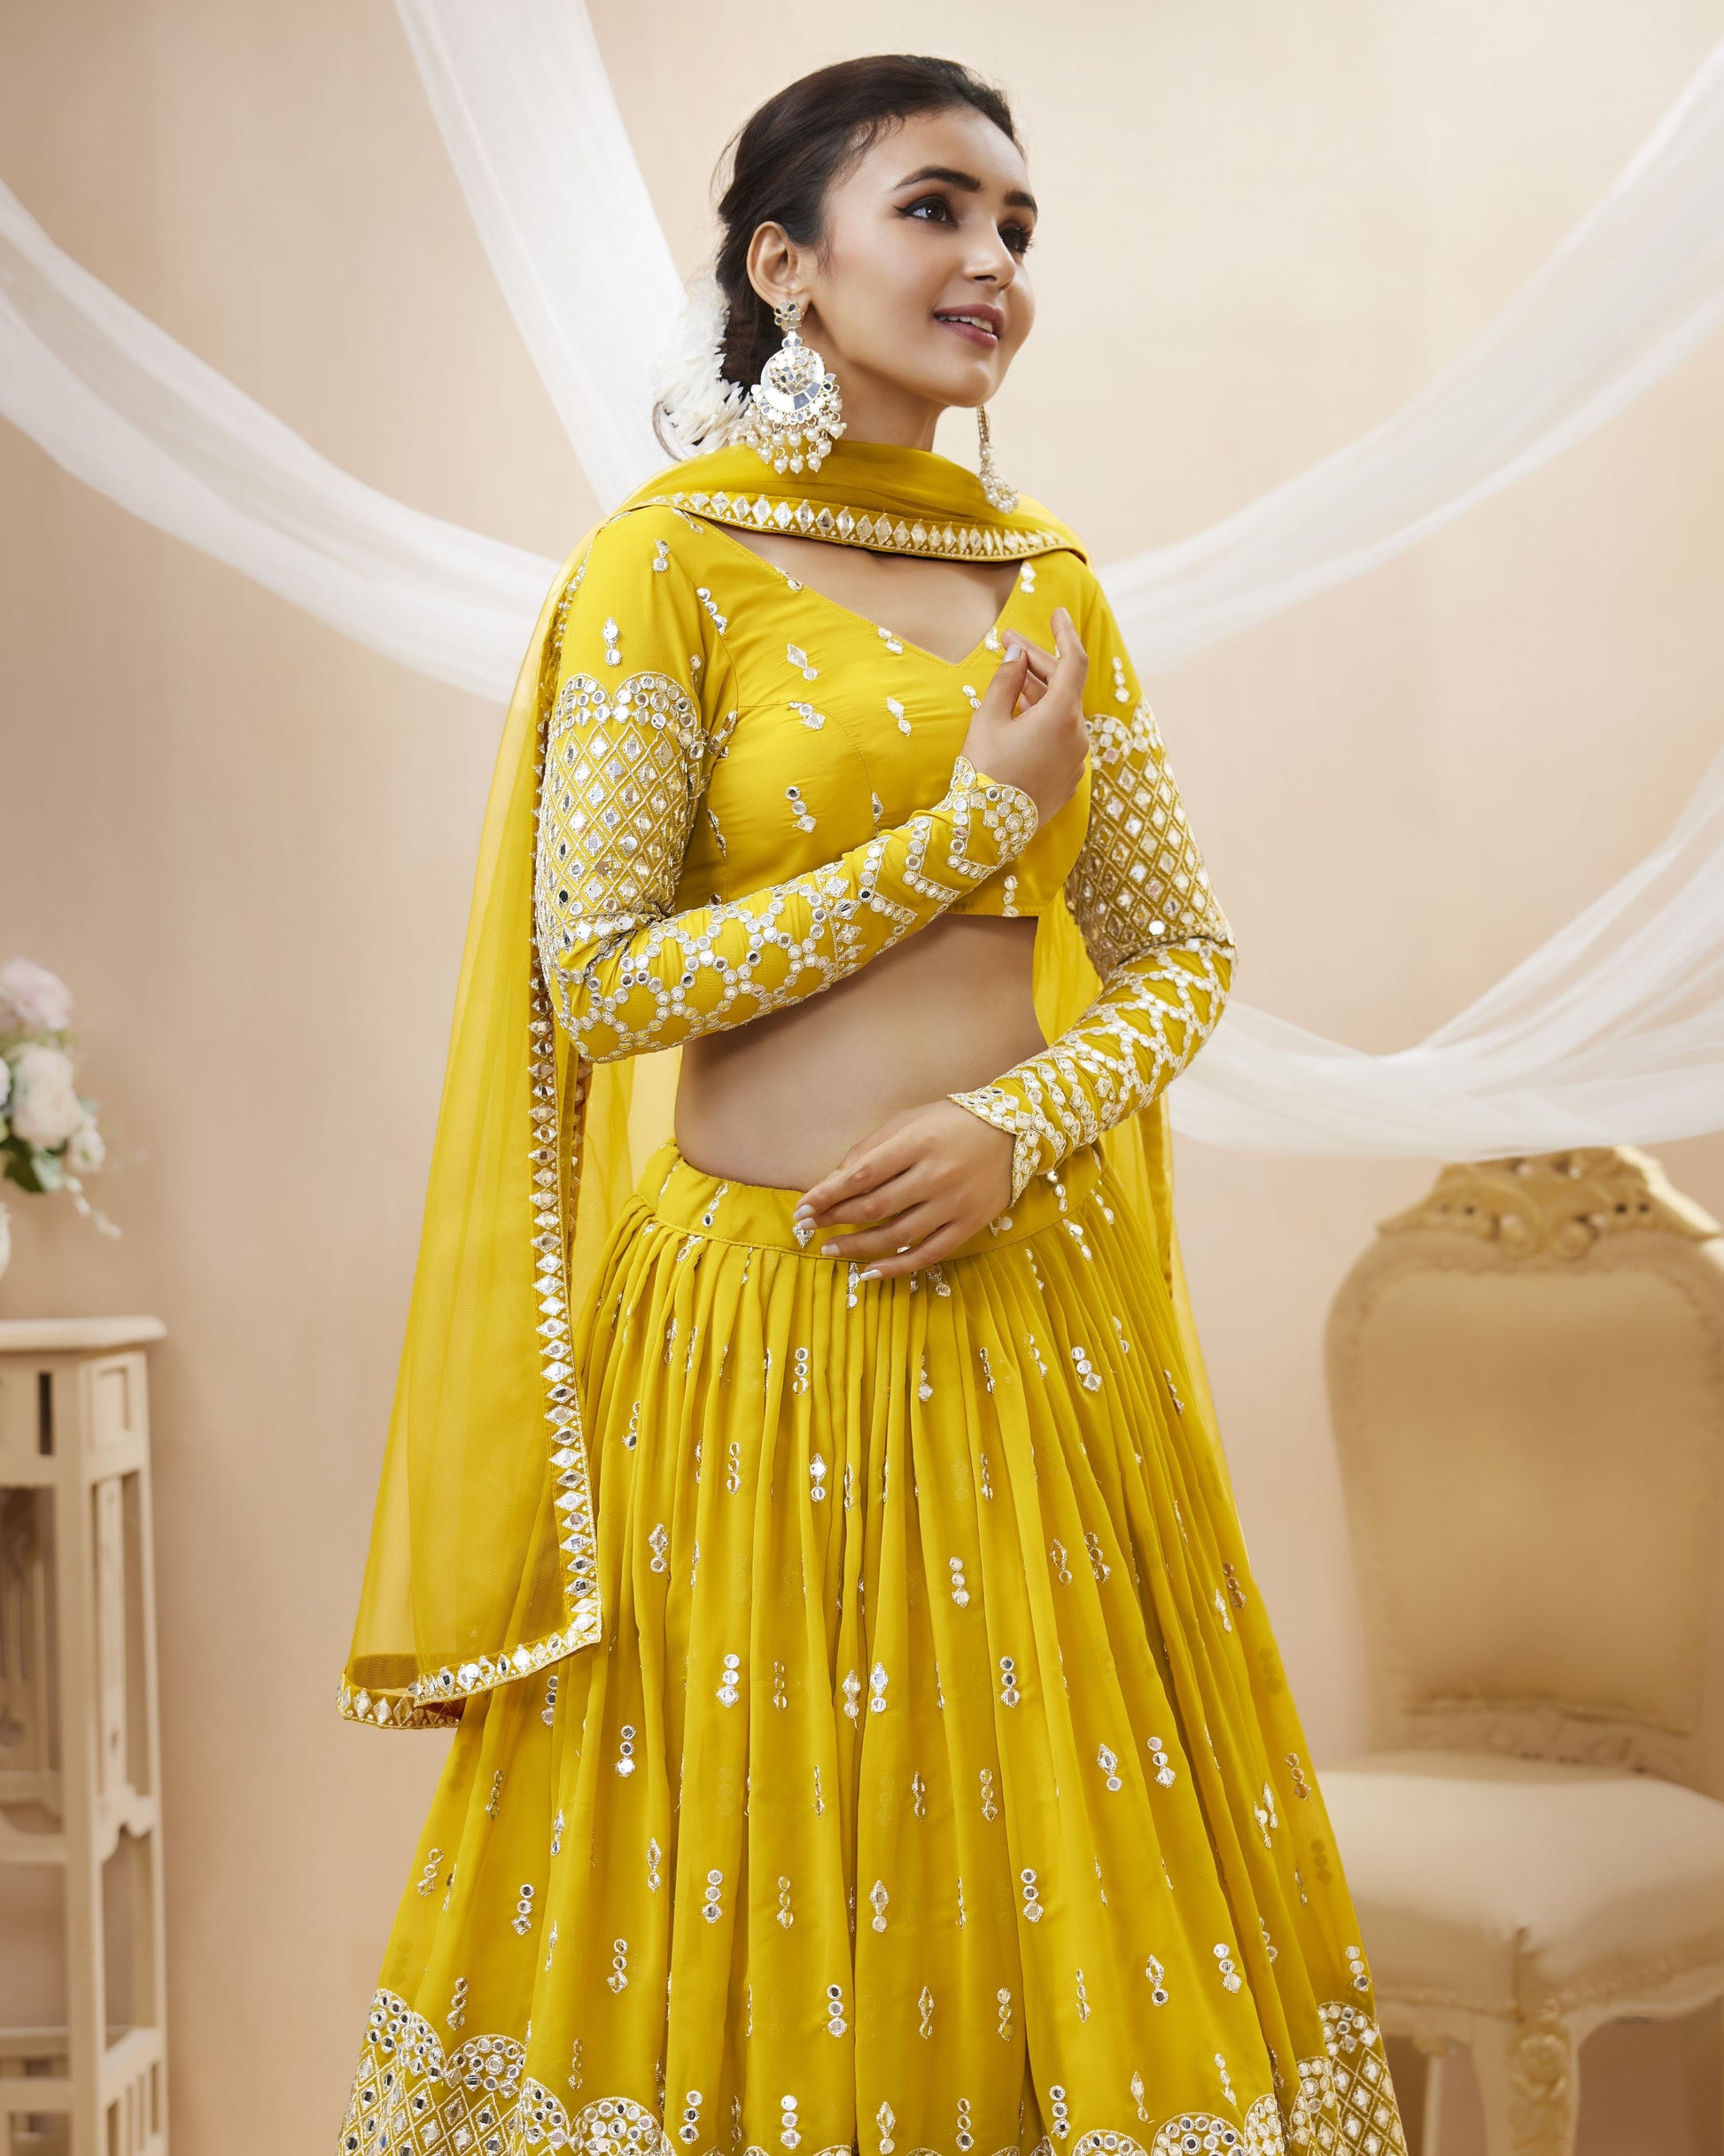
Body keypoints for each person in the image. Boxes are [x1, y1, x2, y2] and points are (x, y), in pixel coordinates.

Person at [335, 53, 1409, 2156]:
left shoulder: (1049, 581)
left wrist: (1022, 1122)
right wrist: (954, 837)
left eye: (1017, 227)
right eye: (934, 209)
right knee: (749, 1886)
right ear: (784, 265)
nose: (991, 260)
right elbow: (606, 973)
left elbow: (1181, 950)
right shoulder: (669, 566)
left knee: (1038, 1896)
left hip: (1032, 1340)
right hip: (747, 1353)